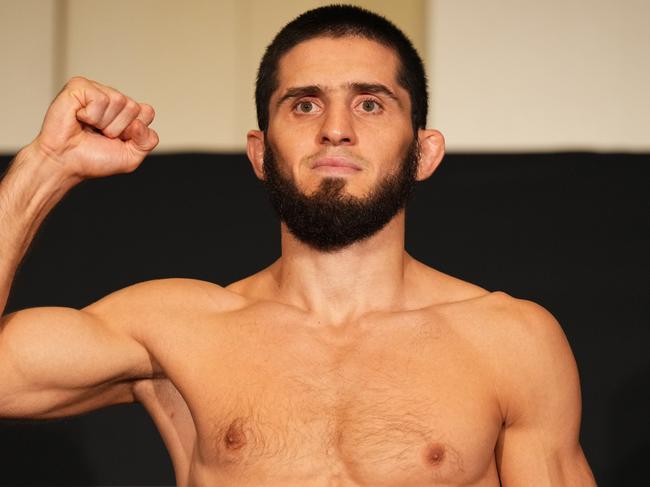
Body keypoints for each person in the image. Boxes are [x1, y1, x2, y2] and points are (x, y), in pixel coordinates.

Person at [0, 5, 596, 486]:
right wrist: (43, 168)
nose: (335, 127)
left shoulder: (509, 341)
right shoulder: (178, 329)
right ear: (261, 152)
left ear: (424, 151)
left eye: (370, 103)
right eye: (305, 103)